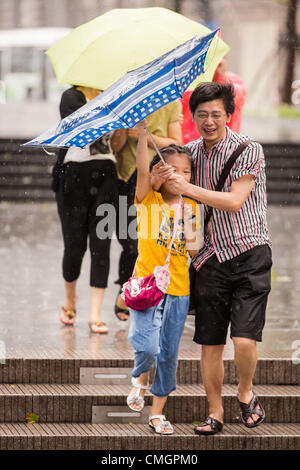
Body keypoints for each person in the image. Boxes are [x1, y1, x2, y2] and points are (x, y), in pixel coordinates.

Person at [152, 82, 272, 435]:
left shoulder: (249, 150)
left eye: (215, 114)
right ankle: (215, 412)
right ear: (193, 116)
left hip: (249, 252)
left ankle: (246, 391)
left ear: (228, 115)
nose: (208, 121)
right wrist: (160, 176)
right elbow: (164, 199)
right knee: (211, 342)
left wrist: (186, 188)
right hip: (209, 260)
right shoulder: (187, 154)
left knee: (245, 339)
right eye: (201, 114)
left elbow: (235, 201)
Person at [126, 119, 202, 435]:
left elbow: (196, 251)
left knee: (169, 352)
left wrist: (188, 223)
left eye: (186, 172)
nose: (180, 176)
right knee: (147, 347)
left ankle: (157, 413)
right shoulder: (148, 200)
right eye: (172, 169)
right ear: (160, 172)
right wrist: (143, 136)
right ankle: (139, 376)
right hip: (147, 286)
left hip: (179, 289)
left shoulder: (194, 205)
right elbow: (143, 172)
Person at [53, 85, 118, 334]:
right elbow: (77, 130)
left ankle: (95, 314)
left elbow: (117, 142)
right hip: (74, 176)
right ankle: (70, 300)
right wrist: (109, 110)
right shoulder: (72, 96)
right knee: (74, 245)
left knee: (101, 244)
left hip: (107, 176)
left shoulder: (113, 95)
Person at [110, 100, 182, 321]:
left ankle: (142, 290)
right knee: (129, 242)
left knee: (145, 241)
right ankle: (129, 289)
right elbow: (115, 147)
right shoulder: (126, 101)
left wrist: (145, 135)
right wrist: (126, 127)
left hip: (156, 178)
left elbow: (176, 143)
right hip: (124, 178)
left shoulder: (171, 103)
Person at [180, 57, 246, 144]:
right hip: (190, 146)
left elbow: (234, 102)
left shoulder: (233, 81)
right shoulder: (189, 82)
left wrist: (220, 77)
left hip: (225, 147)